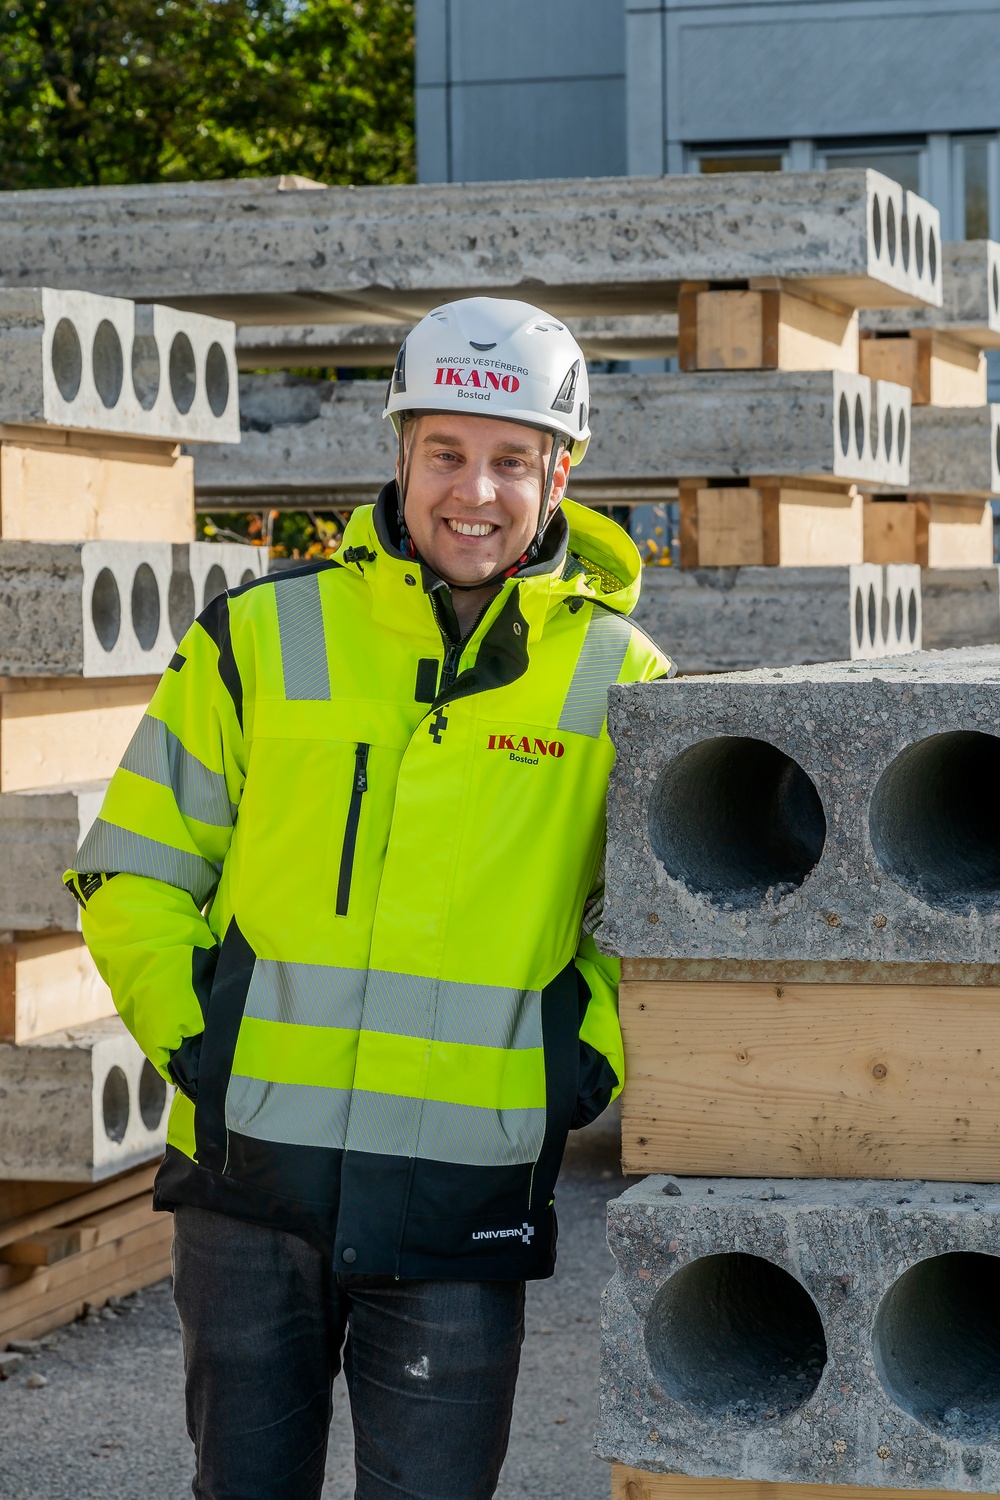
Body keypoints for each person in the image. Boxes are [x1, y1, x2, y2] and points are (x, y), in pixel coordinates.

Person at [65, 297, 672, 1500]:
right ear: (399, 452)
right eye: (444, 451)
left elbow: (661, 934)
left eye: (510, 460)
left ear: (561, 473)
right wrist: (206, 1045)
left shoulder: (624, 680)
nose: (475, 492)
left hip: (464, 1195)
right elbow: (132, 866)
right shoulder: (258, 638)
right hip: (248, 1188)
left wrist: (578, 1062)